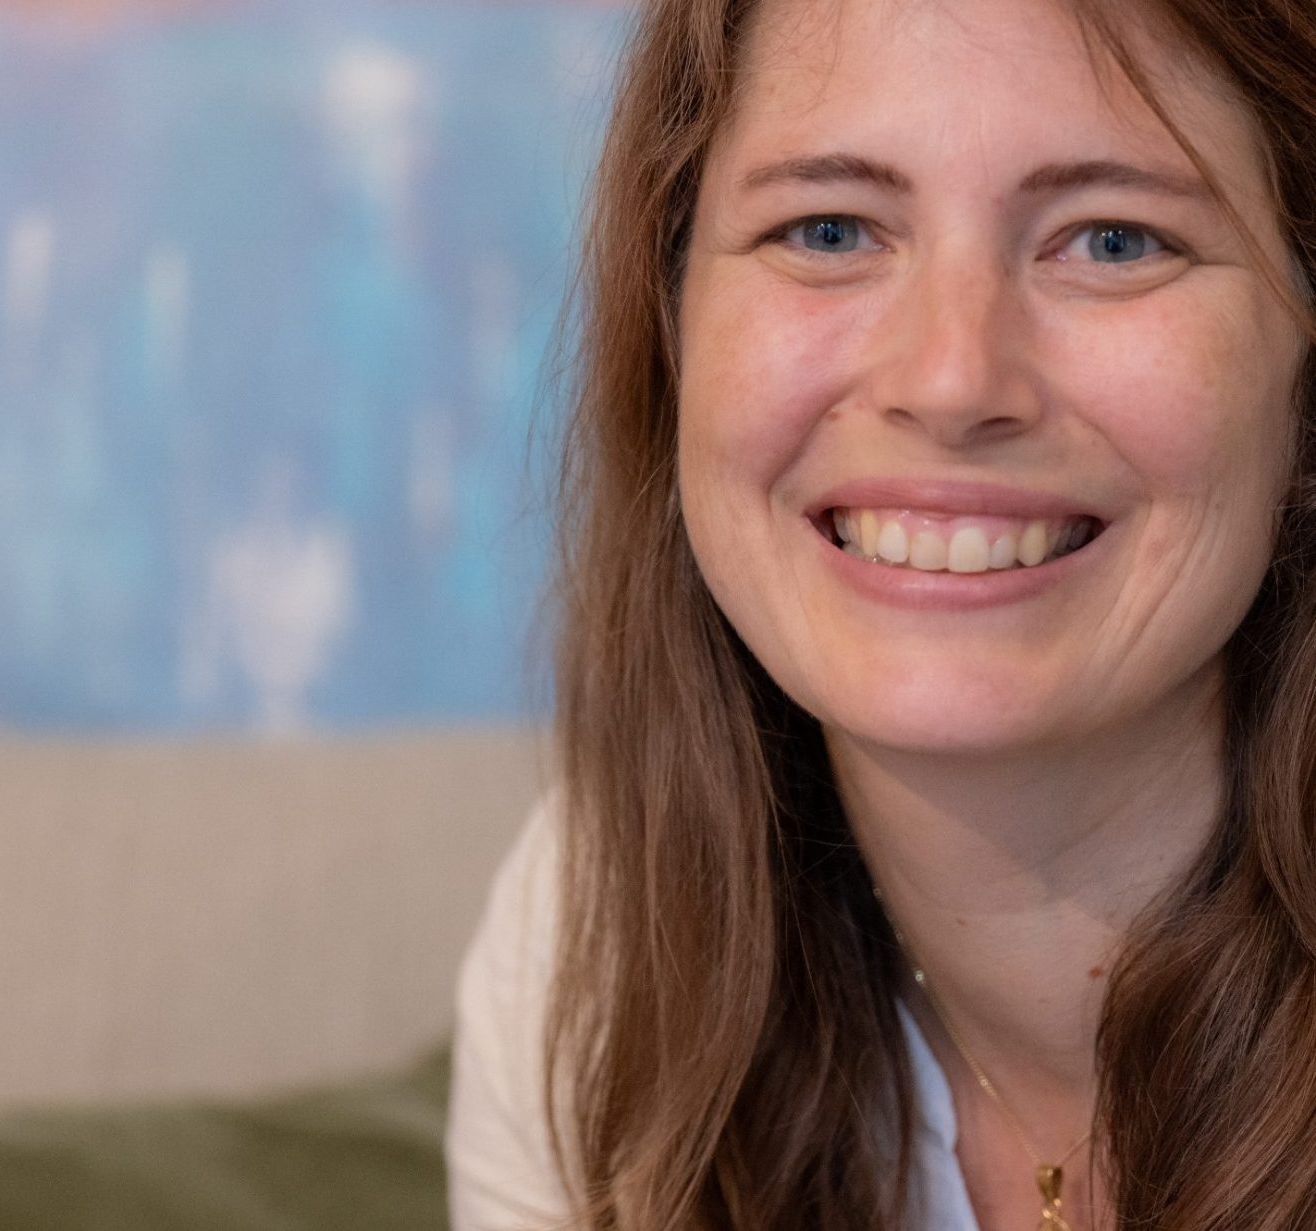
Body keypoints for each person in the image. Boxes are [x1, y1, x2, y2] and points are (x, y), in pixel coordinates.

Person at [446, 0, 1316, 1226]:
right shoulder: (595, 939)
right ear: (674, 325)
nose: (951, 380)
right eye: (830, 229)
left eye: (1114, 240)